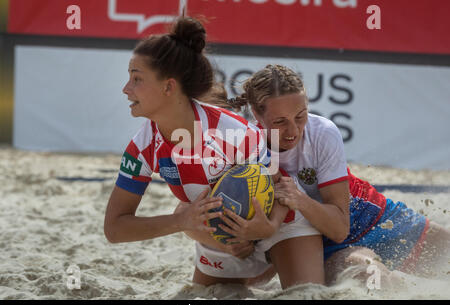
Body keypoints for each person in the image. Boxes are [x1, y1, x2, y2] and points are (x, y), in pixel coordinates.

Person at [104, 17, 325, 290]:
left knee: (306, 294)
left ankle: (284, 261)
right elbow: (114, 228)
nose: (126, 89)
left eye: (137, 79)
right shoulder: (142, 146)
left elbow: (282, 187)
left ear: (169, 87)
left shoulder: (230, 130)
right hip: (224, 238)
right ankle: (256, 270)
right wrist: (180, 222)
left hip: (279, 225)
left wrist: (267, 227)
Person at [220, 64, 450, 286]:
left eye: (300, 116)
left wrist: (299, 199)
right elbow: (338, 235)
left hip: (371, 216)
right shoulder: (246, 147)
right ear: (257, 116)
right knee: (368, 274)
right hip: (318, 242)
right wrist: (247, 242)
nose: (293, 131)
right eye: (280, 122)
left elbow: (341, 223)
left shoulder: (322, 132)